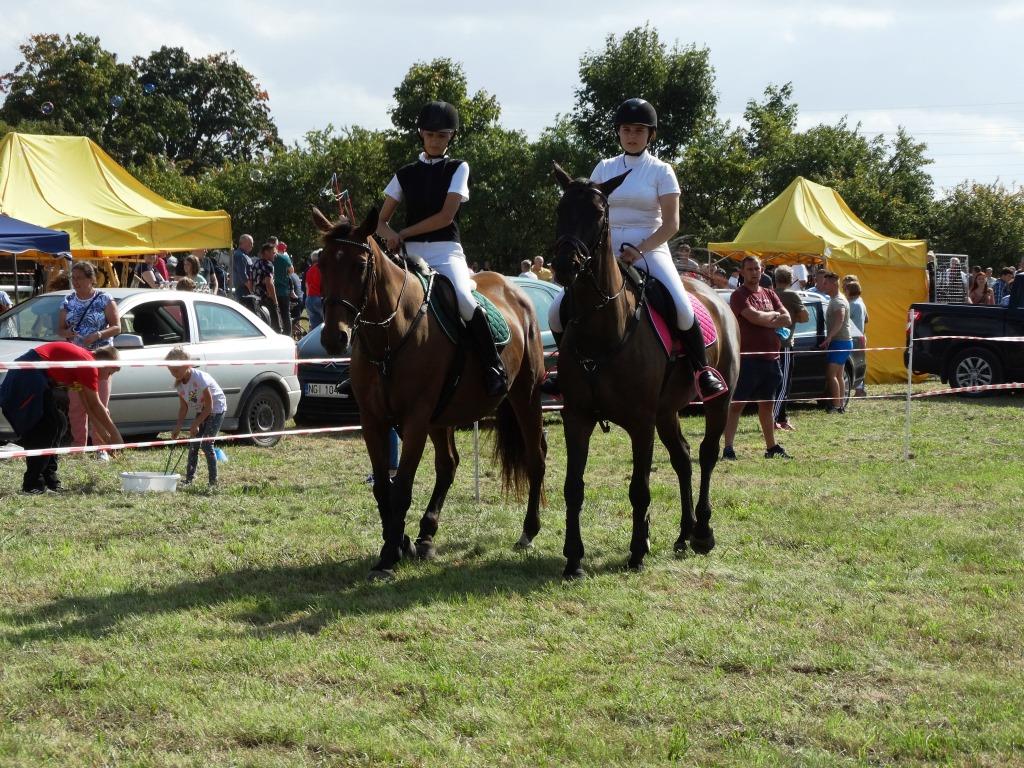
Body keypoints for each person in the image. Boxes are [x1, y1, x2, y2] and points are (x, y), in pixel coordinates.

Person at [546, 98, 727, 401]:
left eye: (639, 130)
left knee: (682, 308)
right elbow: (589, 211)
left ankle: (701, 370)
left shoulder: (661, 171)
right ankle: (564, 371)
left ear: (650, 135)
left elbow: (671, 223)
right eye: (627, 129)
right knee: (555, 311)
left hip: (650, 248)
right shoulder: (605, 167)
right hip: (605, 249)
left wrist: (640, 249)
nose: (632, 136)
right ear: (618, 132)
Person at [375, 99, 507, 396]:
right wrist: (390, 235)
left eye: (442, 136)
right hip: (408, 255)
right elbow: (380, 222)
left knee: (464, 299)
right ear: (421, 134)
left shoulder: (458, 167)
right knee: (380, 300)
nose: (435, 141)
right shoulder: (405, 173)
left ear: (451, 137)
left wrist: (404, 232)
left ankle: (492, 366)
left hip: (445, 251)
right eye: (430, 135)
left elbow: (446, 216)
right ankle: (365, 369)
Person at [0, 342, 122, 493]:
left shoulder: (84, 362)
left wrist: (103, 434)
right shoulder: (89, 364)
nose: (107, 377)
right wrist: (116, 436)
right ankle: (32, 484)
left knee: (60, 423)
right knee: (45, 429)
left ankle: (50, 480)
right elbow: (96, 404)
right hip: (28, 374)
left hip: (36, 375)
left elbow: (88, 405)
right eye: (110, 372)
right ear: (105, 363)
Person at [722, 256, 791, 459]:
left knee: (767, 405)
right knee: (737, 405)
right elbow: (754, 317)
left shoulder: (770, 293)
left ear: (762, 271)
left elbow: (787, 318)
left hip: (771, 359)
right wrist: (773, 317)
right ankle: (728, 448)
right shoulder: (738, 295)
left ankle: (771, 447)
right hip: (747, 359)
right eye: (750, 269)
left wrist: (766, 319)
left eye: (757, 269)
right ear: (742, 272)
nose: (754, 272)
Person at [57, 261, 122, 460]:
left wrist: (98, 335)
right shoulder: (67, 301)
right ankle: (79, 447)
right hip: (76, 362)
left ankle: (101, 448)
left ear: (91, 279)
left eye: (79, 278)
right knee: (76, 406)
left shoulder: (104, 299)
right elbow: (59, 329)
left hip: (98, 361)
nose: (75, 282)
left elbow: (117, 327)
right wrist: (67, 332)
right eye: (73, 278)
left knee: (100, 405)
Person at [166, 347, 227, 488]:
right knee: (194, 444)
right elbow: (184, 407)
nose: (173, 374)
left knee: (207, 444)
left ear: (187, 365)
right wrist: (178, 427)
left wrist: (196, 423)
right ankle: (189, 479)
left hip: (216, 409)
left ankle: (213, 482)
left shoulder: (199, 378)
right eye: (171, 371)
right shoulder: (180, 384)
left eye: (176, 370)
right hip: (202, 409)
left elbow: (210, 406)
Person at [771, 265, 808, 433]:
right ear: (791, 279)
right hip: (785, 344)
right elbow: (805, 317)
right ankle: (774, 419)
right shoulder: (792, 295)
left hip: (769, 344)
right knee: (784, 383)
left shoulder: (769, 293)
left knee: (774, 383)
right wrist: (793, 316)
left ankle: (782, 417)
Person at [820, 271, 853, 413]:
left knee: (831, 375)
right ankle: (839, 405)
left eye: (825, 283)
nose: (823, 285)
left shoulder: (838, 301)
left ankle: (836, 405)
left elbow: (840, 319)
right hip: (842, 341)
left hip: (840, 342)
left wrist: (829, 337)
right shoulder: (836, 299)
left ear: (834, 284)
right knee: (838, 375)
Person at [251, 243, 282, 333]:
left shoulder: (256, 263)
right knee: (276, 327)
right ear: (266, 252)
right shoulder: (268, 265)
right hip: (267, 299)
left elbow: (251, 281)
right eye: (273, 253)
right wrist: (275, 301)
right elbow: (269, 283)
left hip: (257, 299)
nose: (275, 255)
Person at [272, 242, 294, 338]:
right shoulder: (284, 258)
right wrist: (285, 276)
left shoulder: (267, 258)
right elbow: (291, 271)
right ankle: (287, 336)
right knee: (286, 315)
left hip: (271, 291)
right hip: (283, 290)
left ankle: (276, 335)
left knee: (273, 314)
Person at [304, 250, 323, 329]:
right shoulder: (321, 269)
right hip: (319, 298)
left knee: (315, 328)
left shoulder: (309, 270)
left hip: (309, 299)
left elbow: (307, 287)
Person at [233, 234, 254, 301]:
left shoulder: (244, 255)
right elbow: (243, 274)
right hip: (243, 291)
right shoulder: (240, 255)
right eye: (251, 243)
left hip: (245, 290)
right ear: (244, 243)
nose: (252, 246)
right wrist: (251, 290)